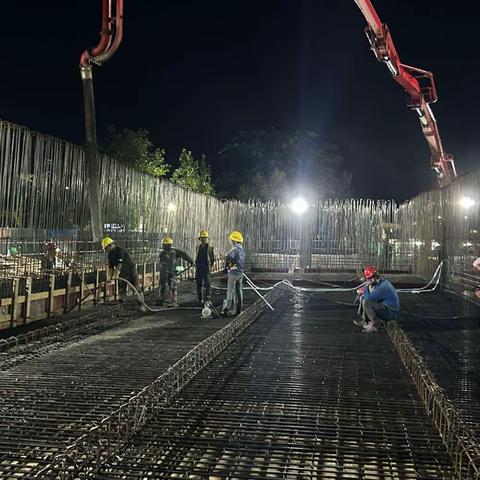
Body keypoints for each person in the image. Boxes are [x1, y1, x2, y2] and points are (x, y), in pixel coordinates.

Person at [102, 236, 145, 310]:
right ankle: (122, 305)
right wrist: (109, 277)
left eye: (106, 248)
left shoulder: (120, 250)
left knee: (137, 287)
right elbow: (111, 267)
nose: (106, 250)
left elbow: (119, 264)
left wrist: (116, 274)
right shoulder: (110, 255)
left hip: (131, 271)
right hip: (122, 273)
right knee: (121, 289)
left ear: (110, 245)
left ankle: (141, 305)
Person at [353, 265, 400, 333]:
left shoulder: (382, 287)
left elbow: (368, 299)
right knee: (363, 298)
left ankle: (373, 325)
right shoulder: (382, 282)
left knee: (367, 302)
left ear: (372, 278)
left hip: (391, 313)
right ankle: (366, 321)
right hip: (387, 308)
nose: (367, 281)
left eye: (368, 279)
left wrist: (365, 288)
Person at [158, 236, 194, 307]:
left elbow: (184, 255)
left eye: (165, 245)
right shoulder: (164, 254)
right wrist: (191, 261)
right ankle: (165, 300)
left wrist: (191, 261)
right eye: (164, 246)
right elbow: (184, 255)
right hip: (167, 273)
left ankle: (172, 301)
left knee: (171, 287)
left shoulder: (173, 252)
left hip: (171, 272)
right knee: (164, 286)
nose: (165, 247)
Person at [221, 231, 245, 317]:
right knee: (239, 292)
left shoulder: (234, 250)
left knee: (230, 291)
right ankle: (238, 310)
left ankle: (226, 309)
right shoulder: (241, 250)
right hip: (240, 273)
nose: (231, 242)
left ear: (234, 241)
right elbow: (239, 262)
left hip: (233, 273)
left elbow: (229, 258)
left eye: (232, 241)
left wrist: (226, 267)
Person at [195, 230, 215, 304]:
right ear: (200, 239)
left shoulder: (210, 248)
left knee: (207, 284)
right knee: (198, 284)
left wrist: (210, 266)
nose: (203, 239)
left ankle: (207, 299)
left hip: (206, 268)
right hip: (199, 268)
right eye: (202, 238)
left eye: (204, 238)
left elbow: (212, 259)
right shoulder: (197, 247)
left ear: (206, 239)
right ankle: (199, 299)